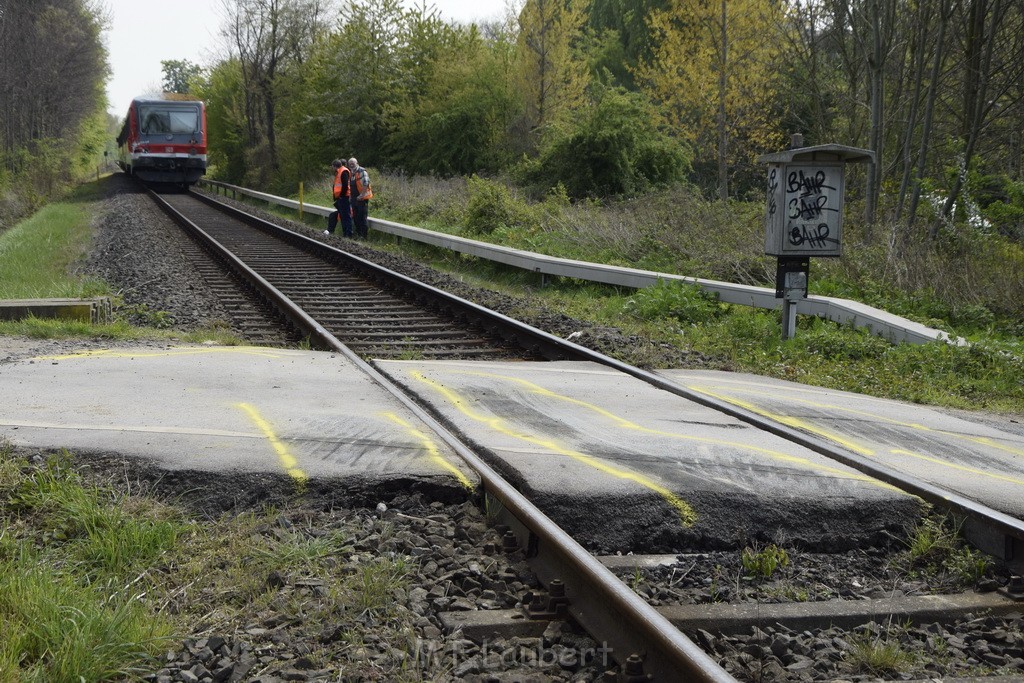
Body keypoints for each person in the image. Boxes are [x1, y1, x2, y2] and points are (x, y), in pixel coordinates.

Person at [324, 159, 353, 237]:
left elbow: (345, 186)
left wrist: (341, 196)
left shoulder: (343, 171)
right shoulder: (339, 172)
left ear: (334, 166)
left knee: (346, 216)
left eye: (332, 167)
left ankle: (348, 234)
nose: (332, 168)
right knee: (343, 216)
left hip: (344, 197)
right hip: (341, 198)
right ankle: (345, 234)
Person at [347, 157, 373, 239]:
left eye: (353, 163)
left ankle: (364, 236)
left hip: (362, 199)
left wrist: (361, 195)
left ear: (357, 163)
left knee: (362, 217)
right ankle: (358, 234)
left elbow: (366, 183)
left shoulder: (362, 171)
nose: (351, 164)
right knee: (355, 217)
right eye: (350, 163)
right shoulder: (351, 172)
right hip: (354, 198)